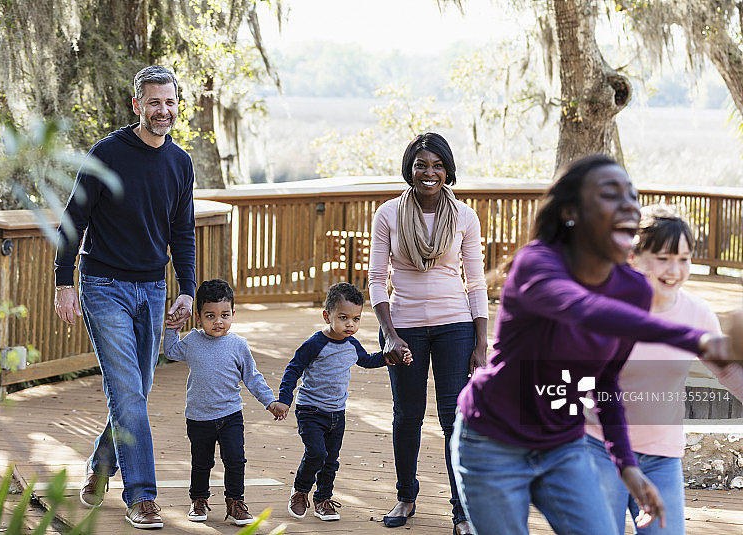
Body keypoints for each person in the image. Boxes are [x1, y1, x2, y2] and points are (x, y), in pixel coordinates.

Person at [451, 154, 737, 535]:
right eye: (610, 194)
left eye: (632, 195)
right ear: (572, 211)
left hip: (563, 445)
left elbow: (603, 381)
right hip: (492, 442)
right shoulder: (536, 263)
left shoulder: (632, 288)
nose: (628, 204)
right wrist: (699, 340)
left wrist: (626, 464)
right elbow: (584, 310)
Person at [54, 65, 196, 529]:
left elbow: (183, 233)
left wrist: (187, 290)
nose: (163, 110)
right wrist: (63, 282)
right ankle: (142, 496)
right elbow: (73, 219)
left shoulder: (180, 162)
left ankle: (99, 467)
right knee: (129, 394)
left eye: (170, 102)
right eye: (154, 102)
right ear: (137, 105)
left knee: (139, 390)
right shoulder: (108, 153)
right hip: (104, 287)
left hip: (154, 289)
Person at [584, 205, 743, 534]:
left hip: (660, 456)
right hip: (599, 448)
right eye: (664, 257)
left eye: (684, 258)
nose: (675, 269)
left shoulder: (697, 313)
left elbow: (728, 373)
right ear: (633, 257)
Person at [367, 132, 488, 535]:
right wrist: (391, 334)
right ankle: (406, 496)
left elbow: (476, 281)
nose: (429, 172)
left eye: (437, 165)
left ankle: (462, 511)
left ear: (448, 171)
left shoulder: (465, 216)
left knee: (454, 419)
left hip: (456, 326)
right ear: (410, 170)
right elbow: (375, 279)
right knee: (407, 416)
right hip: (404, 327)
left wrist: (481, 339)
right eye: (421, 164)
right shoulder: (387, 214)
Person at [277, 282, 409, 522]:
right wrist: (285, 399)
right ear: (327, 316)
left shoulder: (352, 344)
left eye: (356, 319)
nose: (351, 324)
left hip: (337, 413)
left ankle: (323, 500)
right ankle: (300, 491)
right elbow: (292, 369)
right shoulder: (315, 344)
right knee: (316, 452)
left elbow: (367, 360)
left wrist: (391, 357)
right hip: (310, 410)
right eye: (343, 317)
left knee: (330, 460)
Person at [163, 279, 285, 526]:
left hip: (230, 415)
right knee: (201, 462)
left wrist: (270, 401)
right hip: (198, 417)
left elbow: (252, 377)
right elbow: (170, 351)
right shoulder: (193, 341)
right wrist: (172, 328)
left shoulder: (238, 344)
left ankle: (235, 502)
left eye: (224, 315)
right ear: (198, 318)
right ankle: (198, 500)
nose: (218, 321)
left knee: (235, 459)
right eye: (210, 316)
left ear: (233, 314)